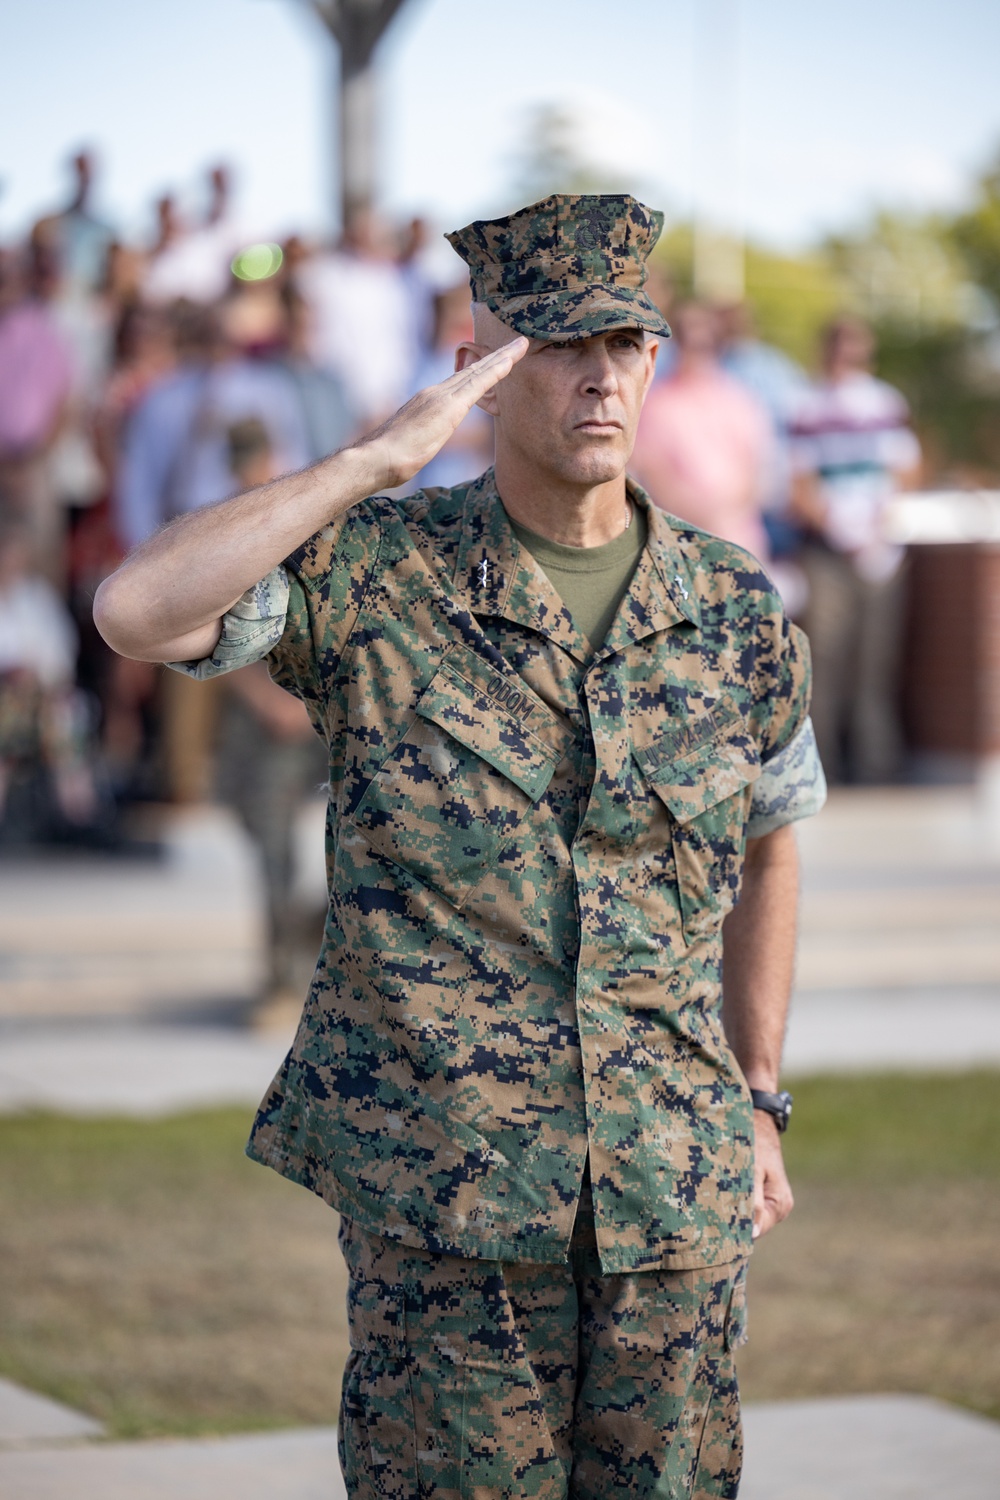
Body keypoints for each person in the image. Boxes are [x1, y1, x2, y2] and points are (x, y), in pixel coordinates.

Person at [94, 194, 826, 1500]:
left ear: (654, 358)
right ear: (476, 372)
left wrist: (759, 1093)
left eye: (623, 341)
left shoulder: (731, 610)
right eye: (552, 345)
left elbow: (773, 840)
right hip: (449, 1209)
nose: (596, 374)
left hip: (674, 1194)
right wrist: (369, 463)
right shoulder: (376, 576)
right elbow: (139, 611)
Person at [789, 316, 921, 783]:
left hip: (879, 550)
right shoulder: (806, 405)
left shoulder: (885, 401)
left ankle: (876, 765)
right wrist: (840, 528)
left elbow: (906, 470)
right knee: (826, 657)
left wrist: (874, 529)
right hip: (827, 550)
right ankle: (824, 766)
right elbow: (798, 481)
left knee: (876, 659)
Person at [629, 300, 773, 563]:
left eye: (705, 342)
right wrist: (703, 517)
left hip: (741, 545)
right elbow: (654, 476)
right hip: (682, 546)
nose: (697, 350)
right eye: (689, 340)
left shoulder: (740, 398)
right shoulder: (655, 403)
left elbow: (755, 470)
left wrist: (724, 517)